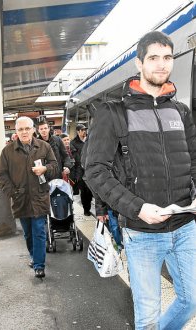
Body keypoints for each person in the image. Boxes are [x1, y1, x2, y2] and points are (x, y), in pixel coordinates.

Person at [84, 31, 196, 329]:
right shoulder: (113, 114)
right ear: (139, 63)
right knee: (146, 317)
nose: (162, 65)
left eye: (168, 57)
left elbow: (195, 160)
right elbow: (94, 170)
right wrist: (136, 208)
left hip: (185, 227)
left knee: (191, 300)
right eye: (154, 58)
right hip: (142, 232)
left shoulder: (180, 112)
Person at [0, 116, 58, 278]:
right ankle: (33, 256)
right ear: (16, 132)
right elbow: (2, 176)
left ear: (33, 129)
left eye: (27, 128)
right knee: (28, 233)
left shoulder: (44, 147)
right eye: (20, 129)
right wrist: (13, 192)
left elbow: (55, 166)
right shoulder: (7, 151)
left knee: (39, 230)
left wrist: (45, 168)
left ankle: (39, 265)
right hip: (20, 199)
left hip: (39, 196)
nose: (24, 132)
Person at [70, 124, 93, 216]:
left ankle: (88, 207)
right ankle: (86, 209)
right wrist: (75, 175)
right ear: (78, 131)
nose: (84, 132)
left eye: (85, 130)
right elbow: (75, 159)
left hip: (90, 170)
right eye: (82, 130)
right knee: (84, 191)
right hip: (80, 172)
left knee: (90, 191)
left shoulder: (89, 140)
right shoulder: (73, 143)